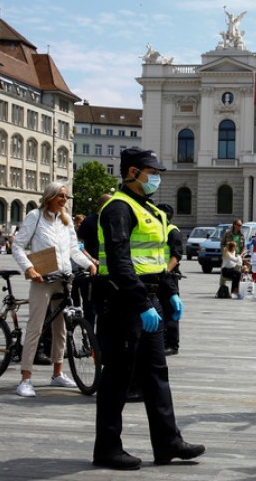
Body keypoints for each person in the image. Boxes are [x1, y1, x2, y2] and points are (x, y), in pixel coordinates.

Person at [92, 147, 204, 471]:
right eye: (151, 172)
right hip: (124, 302)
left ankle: (168, 442)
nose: (156, 178)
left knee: (156, 373)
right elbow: (119, 262)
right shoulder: (118, 208)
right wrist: (142, 303)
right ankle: (107, 448)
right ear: (132, 172)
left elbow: (157, 258)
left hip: (148, 299)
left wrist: (169, 293)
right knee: (117, 377)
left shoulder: (150, 209)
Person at [11, 182, 96, 397]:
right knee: (35, 327)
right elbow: (17, 245)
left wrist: (89, 264)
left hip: (64, 278)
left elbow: (74, 249)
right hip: (43, 279)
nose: (64, 200)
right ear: (49, 196)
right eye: (60, 195)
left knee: (61, 328)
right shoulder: (35, 216)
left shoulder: (66, 220)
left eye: (66, 196)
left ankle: (58, 373)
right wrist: (29, 268)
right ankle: (25, 379)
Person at [76, 194, 112, 327]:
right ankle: (89, 334)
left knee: (106, 307)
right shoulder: (89, 221)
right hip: (91, 270)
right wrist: (91, 260)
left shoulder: (114, 220)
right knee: (90, 306)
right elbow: (79, 244)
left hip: (109, 271)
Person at [157, 203, 183, 355]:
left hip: (168, 277)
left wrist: (166, 271)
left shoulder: (172, 231)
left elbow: (176, 255)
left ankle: (172, 345)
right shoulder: (158, 230)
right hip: (157, 275)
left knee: (170, 311)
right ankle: (162, 341)